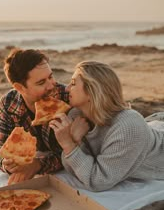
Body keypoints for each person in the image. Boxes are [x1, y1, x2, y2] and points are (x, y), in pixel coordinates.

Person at [49, 61, 164, 192]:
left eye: (74, 83)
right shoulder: (77, 115)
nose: (67, 88)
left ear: (92, 90)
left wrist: (69, 143)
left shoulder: (128, 127)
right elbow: (71, 169)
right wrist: (75, 141)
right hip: (150, 127)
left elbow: (98, 181)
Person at [0, 48, 69, 185]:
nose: (51, 85)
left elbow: (78, 151)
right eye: (41, 83)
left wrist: (37, 165)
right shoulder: (8, 104)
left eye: (51, 76)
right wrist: (8, 164)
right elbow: (2, 152)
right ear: (20, 87)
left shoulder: (66, 97)